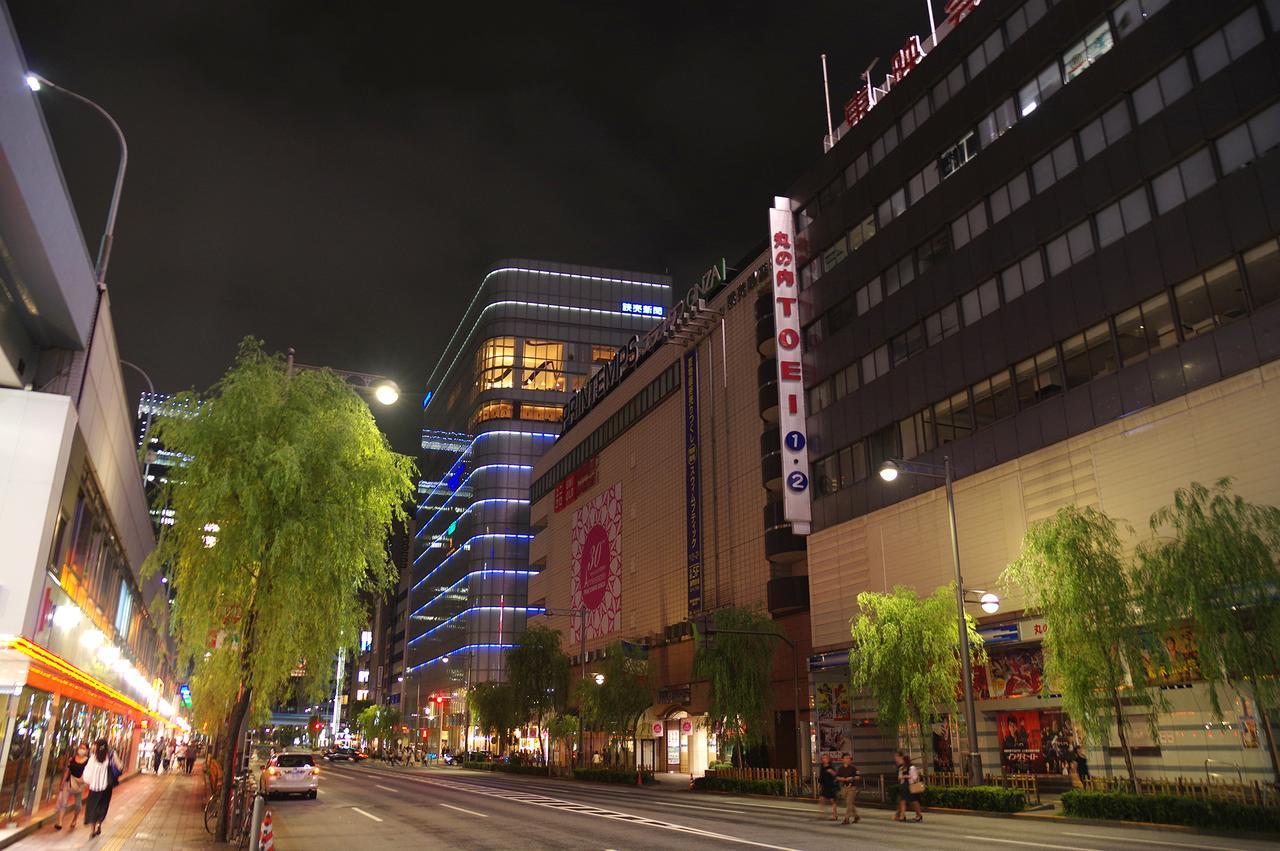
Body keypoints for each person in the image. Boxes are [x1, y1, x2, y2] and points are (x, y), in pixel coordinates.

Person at [83, 738, 120, 838]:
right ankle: (99, 824)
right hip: (106, 788)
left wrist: (89, 781)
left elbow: (87, 774)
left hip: (94, 788)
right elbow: (120, 767)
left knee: (93, 807)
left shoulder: (93, 758)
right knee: (103, 807)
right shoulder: (111, 756)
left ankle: (93, 830)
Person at [54, 743, 90, 831]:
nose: (81, 749)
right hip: (69, 783)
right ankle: (60, 822)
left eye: (83, 748)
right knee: (64, 803)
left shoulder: (88, 761)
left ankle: (74, 820)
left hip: (79, 785)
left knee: (78, 805)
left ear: (86, 750)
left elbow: (88, 773)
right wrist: (62, 783)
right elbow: (67, 770)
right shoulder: (72, 759)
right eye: (80, 747)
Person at [894, 750, 923, 823]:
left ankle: (919, 815)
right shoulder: (901, 768)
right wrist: (903, 777)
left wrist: (907, 776)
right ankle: (902, 815)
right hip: (904, 786)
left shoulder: (912, 767)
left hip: (911, 786)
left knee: (914, 801)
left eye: (902, 759)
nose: (901, 761)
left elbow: (915, 777)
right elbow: (899, 777)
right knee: (903, 800)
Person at [835, 752, 861, 825]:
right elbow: (837, 777)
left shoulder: (853, 768)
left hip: (852, 787)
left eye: (849, 758)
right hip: (844, 787)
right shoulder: (840, 768)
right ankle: (856, 816)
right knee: (850, 803)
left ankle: (846, 819)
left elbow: (858, 776)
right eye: (846, 758)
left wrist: (852, 778)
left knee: (848, 802)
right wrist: (842, 779)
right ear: (842, 760)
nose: (848, 759)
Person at [816, 754, 839, 821]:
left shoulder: (831, 767)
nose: (824, 759)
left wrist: (832, 772)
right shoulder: (822, 767)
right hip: (825, 786)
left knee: (832, 801)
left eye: (825, 758)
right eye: (823, 758)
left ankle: (835, 815)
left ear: (828, 759)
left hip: (831, 786)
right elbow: (821, 777)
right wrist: (820, 785)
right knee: (821, 799)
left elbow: (836, 775)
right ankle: (822, 814)